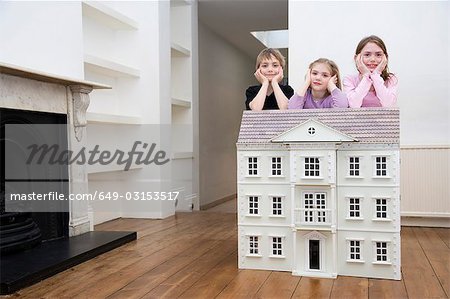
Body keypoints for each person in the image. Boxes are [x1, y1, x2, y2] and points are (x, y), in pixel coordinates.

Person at [344, 35, 398, 108]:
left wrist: (376, 74)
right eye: (367, 55)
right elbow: (353, 106)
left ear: (385, 58)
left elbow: (389, 105)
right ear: (357, 58)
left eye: (378, 55)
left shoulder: (391, 79)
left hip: (382, 119)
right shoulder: (349, 79)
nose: (373, 59)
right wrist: (366, 76)